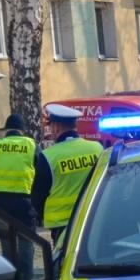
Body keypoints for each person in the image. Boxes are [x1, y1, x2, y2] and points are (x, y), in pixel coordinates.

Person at [0, 113, 52, 263]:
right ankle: (27, 279)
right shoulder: (32, 146)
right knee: (26, 241)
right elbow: (43, 175)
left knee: (6, 243)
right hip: (25, 202)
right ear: (23, 130)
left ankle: (9, 277)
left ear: (6, 130)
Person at [41, 103, 102, 241]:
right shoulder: (97, 148)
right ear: (75, 126)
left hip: (62, 226)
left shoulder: (48, 156)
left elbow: (38, 195)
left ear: (56, 127)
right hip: (93, 219)